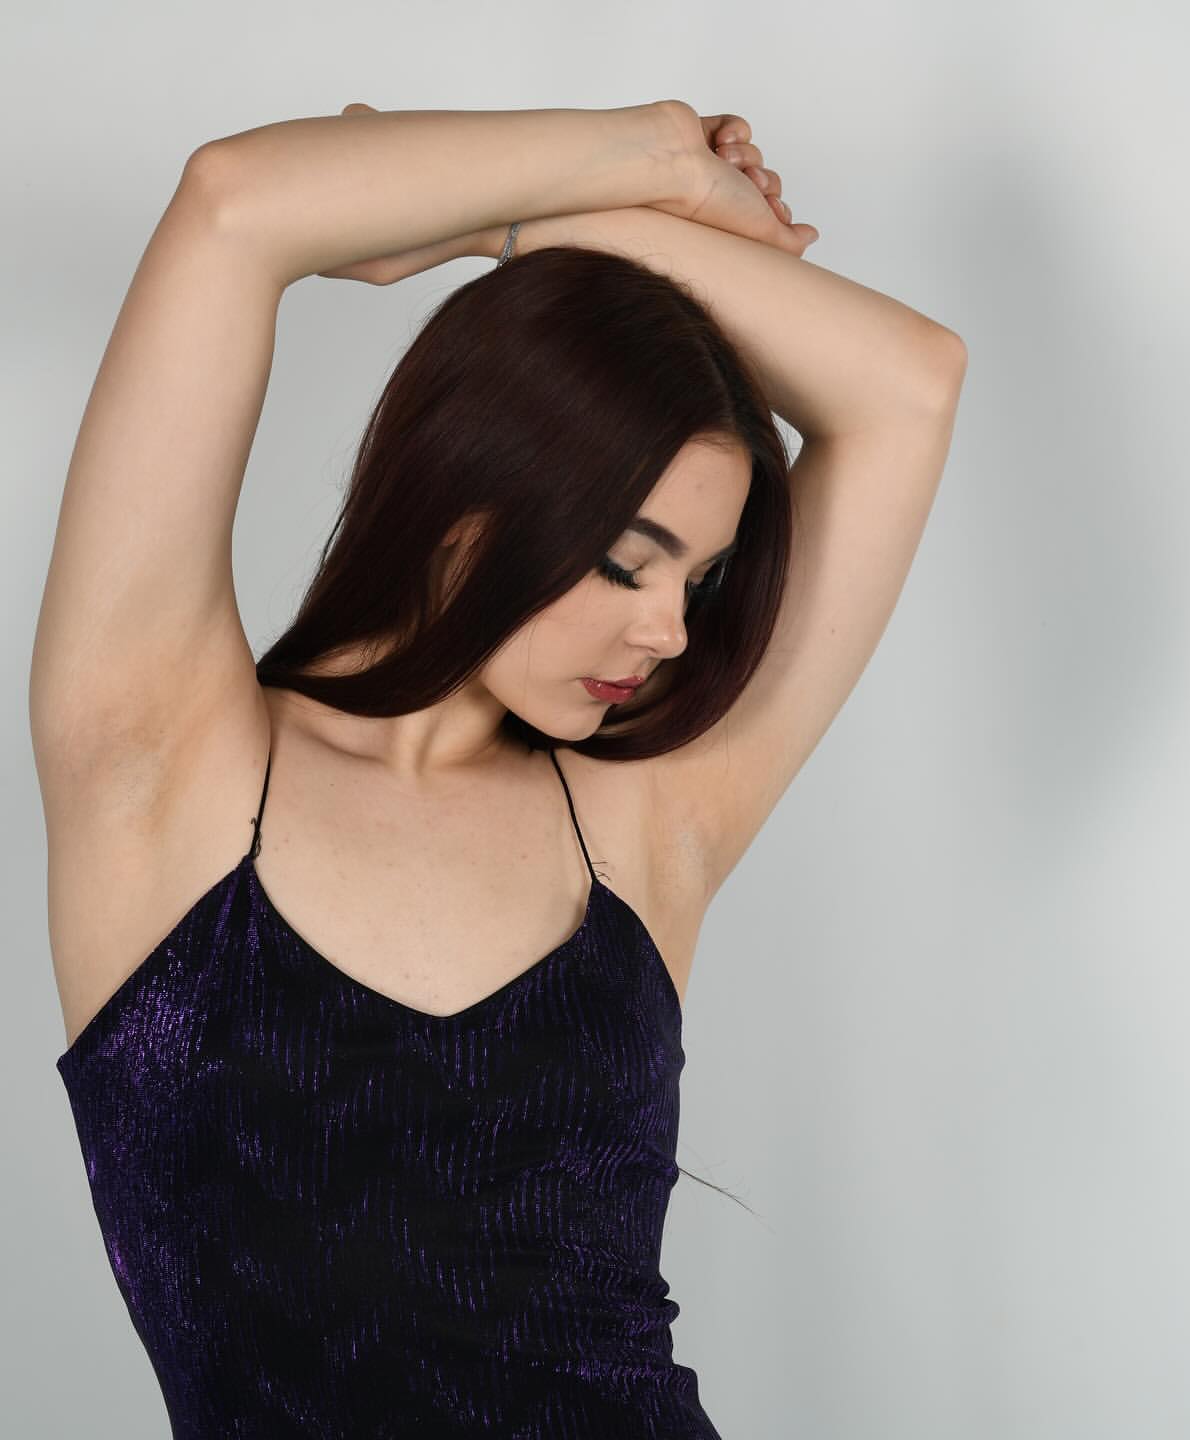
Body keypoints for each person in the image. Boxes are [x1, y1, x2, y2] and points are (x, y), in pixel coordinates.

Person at [30, 99, 967, 1438]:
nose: (672, 632)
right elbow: (236, 205)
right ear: (468, 503)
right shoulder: (158, 767)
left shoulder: (642, 815)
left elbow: (910, 385)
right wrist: (655, 157)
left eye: (700, 581)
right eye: (628, 564)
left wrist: (509, 231)